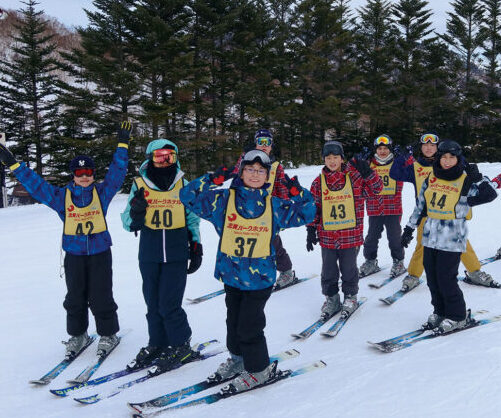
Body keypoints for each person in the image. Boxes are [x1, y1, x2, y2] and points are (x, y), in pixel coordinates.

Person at [180, 150, 315, 393]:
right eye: (249, 169)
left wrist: (298, 192)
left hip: (259, 279)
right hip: (231, 276)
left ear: (267, 176)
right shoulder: (222, 201)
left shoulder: (274, 206)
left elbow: (309, 211)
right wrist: (212, 179)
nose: (255, 174)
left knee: (250, 326)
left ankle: (259, 369)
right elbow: (187, 196)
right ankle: (238, 360)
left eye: (260, 171)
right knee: (233, 322)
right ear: (241, 172)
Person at [0, 122, 132, 357]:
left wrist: (122, 144)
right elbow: (37, 186)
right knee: (75, 298)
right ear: (73, 175)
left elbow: (117, 172)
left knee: (101, 295)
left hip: (100, 253)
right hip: (74, 255)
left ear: (93, 174)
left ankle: (108, 333)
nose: (84, 177)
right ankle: (78, 335)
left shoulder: (102, 193)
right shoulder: (62, 197)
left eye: (88, 172)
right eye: (79, 173)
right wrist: (13, 164)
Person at [121, 139, 202, 374]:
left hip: (176, 251)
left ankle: (180, 344)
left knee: (170, 303)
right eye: (159, 157)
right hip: (150, 251)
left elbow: (192, 218)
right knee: (152, 302)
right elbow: (127, 222)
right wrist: (136, 212)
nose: (164, 161)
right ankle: (157, 343)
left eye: (169, 157)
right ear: (149, 158)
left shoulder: (183, 185)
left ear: (176, 158)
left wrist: (196, 245)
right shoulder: (139, 185)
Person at [400, 140, 497, 333]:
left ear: (458, 158)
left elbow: (490, 194)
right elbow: (421, 206)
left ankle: (458, 315)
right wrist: (410, 229)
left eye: (452, 157)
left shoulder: (465, 179)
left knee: (446, 278)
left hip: (452, 238)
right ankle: (440, 311)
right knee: (433, 278)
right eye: (443, 157)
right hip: (430, 236)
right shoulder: (432, 177)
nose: (447, 161)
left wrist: (478, 179)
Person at [390, 133, 497, 289]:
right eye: (425, 145)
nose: (428, 148)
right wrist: (405, 155)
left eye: (432, 145)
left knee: (462, 244)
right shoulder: (416, 167)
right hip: (427, 214)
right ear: (420, 147)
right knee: (422, 246)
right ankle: (413, 275)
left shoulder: (451, 161)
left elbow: (473, 178)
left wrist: (477, 177)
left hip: (453, 213)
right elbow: (395, 173)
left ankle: (475, 272)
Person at [307, 141, 383, 319]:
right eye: (328, 158)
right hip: (327, 236)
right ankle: (332, 298)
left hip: (350, 235)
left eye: (335, 157)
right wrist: (310, 229)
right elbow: (314, 208)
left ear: (342, 159)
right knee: (328, 270)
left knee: (349, 269)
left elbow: (377, 190)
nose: (332, 161)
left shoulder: (355, 178)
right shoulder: (318, 182)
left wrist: (369, 173)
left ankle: (350, 297)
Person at [229, 129, 297, 289]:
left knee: (273, 244)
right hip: (245, 211)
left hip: (268, 212)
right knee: (247, 243)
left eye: (268, 142)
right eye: (261, 142)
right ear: (256, 143)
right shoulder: (245, 160)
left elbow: (282, 189)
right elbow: (235, 179)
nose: (264, 146)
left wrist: (283, 211)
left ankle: (286, 271)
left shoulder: (276, 166)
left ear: (271, 146)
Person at [359, 135, 406, 278]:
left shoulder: (397, 163)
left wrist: (404, 156)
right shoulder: (369, 164)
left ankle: (398, 261)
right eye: (379, 148)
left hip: (393, 208)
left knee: (394, 237)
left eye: (386, 148)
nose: (383, 151)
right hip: (374, 208)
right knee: (371, 237)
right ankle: (370, 261)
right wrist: (360, 160)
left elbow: (413, 166)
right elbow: (353, 172)